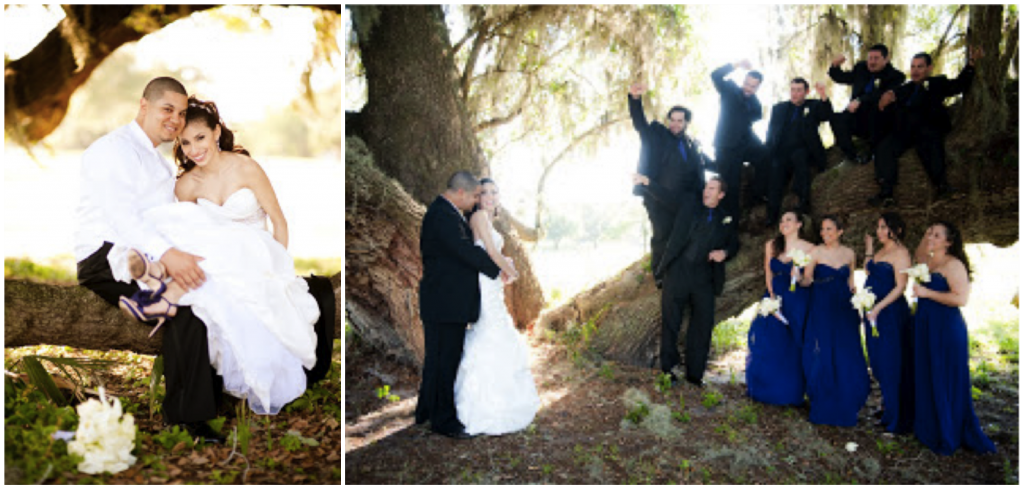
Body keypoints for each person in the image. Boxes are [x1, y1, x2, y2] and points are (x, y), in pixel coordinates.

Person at [114, 96, 335, 417]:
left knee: (219, 241)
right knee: (179, 223)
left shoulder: (245, 168)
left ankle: (160, 285)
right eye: (185, 143)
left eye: (200, 138)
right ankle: (155, 271)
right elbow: (188, 236)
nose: (193, 150)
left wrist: (280, 270)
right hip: (216, 264)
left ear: (217, 132)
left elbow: (279, 221)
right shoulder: (186, 185)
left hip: (258, 256)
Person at [414, 172, 505, 440]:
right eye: (476, 195)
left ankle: (426, 411)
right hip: (444, 303)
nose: (478, 200)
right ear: (461, 193)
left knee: (436, 360)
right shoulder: (443, 215)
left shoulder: (446, 212)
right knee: (445, 362)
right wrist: (498, 270)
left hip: (443, 301)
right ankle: (444, 421)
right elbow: (463, 251)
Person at [454, 178, 540, 436]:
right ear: (477, 198)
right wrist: (511, 270)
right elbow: (491, 251)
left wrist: (504, 268)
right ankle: (483, 407)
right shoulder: (479, 216)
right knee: (491, 330)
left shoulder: (488, 220)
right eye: (485, 193)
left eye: (494, 192)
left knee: (497, 329)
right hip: (484, 283)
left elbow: (489, 254)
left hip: (491, 281)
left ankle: (505, 400)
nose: (490, 196)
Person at [910, 222, 997, 456]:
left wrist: (927, 293)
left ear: (948, 242)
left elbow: (961, 299)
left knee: (946, 376)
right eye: (929, 233)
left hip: (946, 328)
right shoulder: (926, 261)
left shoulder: (953, 264)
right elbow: (918, 253)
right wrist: (927, 234)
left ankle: (950, 430)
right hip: (925, 326)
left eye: (937, 235)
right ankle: (930, 428)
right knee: (927, 373)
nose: (930, 237)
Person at [655, 177, 739, 387]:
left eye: (711, 188)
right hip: (678, 271)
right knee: (671, 322)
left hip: (704, 277)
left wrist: (724, 252)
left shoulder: (726, 218)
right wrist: (647, 183)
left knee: (702, 325)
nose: (706, 191)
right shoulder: (689, 206)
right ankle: (669, 370)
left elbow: (735, 243)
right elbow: (667, 198)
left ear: (721, 195)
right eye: (705, 187)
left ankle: (695, 374)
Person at [871, 48, 982, 206]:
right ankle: (886, 193)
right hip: (905, 132)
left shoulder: (938, 83)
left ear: (929, 68)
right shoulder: (905, 89)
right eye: (913, 67)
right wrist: (887, 97)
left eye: (920, 67)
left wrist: (971, 64)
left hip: (927, 128)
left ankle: (942, 187)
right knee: (884, 147)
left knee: (929, 142)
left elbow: (958, 85)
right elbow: (891, 99)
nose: (915, 71)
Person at [629, 83, 708, 282]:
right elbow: (640, 124)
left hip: (682, 201)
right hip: (657, 195)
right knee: (661, 233)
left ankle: (675, 271)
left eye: (680, 121)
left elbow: (706, 164)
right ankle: (658, 274)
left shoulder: (692, 144)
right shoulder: (658, 135)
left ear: (686, 122)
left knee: (680, 236)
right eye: (672, 120)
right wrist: (635, 99)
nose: (675, 124)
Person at [798, 215, 869, 427]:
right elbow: (806, 280)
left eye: (829, 229)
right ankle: (824, 401)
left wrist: (856, 297)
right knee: (823, 348)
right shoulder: (816, 252)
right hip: (822, 303)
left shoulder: (849, 253)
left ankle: (847, 398)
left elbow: (850, 283)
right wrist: (798, 275)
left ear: (840, 231)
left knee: (846, 350)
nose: (824, 233)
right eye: (822, 229)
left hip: (844, 305)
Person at [746, 210, 814, 406]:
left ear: (799, 224)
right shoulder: (772, 245)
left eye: (789, 220)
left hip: (797, 299)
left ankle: (790, 392)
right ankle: (766, 389)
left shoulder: (810, 248)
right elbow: (769, 273)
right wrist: (773, 299)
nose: (784, 223)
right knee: (770, 341)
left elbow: (809, 281)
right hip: (775, 298)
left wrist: (799, 277)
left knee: (792, 345)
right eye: (782, 220)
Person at [863, 213, 913, 434]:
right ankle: (887, 407)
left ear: (897, 230)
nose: (880, 231)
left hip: (889, 312)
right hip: (872, 312)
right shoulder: (881, 250)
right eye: (878, 226)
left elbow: (900, 286)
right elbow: (868, 270)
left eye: (885, 227)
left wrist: (878, 308)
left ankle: (897, 417)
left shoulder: (901, 253)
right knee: (877, 361)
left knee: (891, 362)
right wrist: (869, 248)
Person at [764, 79, 833, 226]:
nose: (795, 93)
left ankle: (803, 203)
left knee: (800, 158)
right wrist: (769, 152)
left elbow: (826, 114)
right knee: (775, 173)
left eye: (799, 90)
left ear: (806, 92)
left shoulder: (813, 105)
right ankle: (772, 215)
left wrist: (823, 95)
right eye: (793, 90)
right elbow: (771, 133)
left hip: (804, 150)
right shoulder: (779, 108)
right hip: (782, 152)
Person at [828, 44, 906, 165]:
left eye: (876, 58)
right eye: (870, 58)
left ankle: (872, 152)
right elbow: (843, 78)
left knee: (876, 113)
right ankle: (852, 155)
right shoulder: (861, 68)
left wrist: (860, 100)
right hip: (856, 116)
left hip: (877, 119)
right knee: (836, 119)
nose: (872, 62)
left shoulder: (896, 76)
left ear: (886, 59)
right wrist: (835, 66)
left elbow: (880, 94)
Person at [710, 60, 769, 217]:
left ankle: (756, 196)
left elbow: (751, 120)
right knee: (730, 186)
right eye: (747, 84)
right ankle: (730, 221)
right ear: (743, 81)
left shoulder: (756, 106)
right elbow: (715, 75)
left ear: (758, 87)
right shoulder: (729, 89)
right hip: (725, 146)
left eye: (753, 86)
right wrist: (735, 65)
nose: (748, 88)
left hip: (746, 142)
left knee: (766, 156)